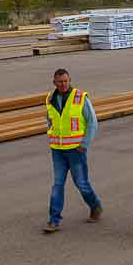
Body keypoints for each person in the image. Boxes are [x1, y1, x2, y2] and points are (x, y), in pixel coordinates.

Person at [43, 67, 102, 232]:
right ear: (54, 82)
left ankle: (95, 206)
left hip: (76, 150)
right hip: (57, 150)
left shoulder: (80, 97)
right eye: (59, 81)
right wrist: (51, 135)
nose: (63, 84)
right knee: (57, 184)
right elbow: (50, 120)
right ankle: (54, 220)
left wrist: (84, 144)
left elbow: (92, 122)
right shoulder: (49, 99)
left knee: (81, 183)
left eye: (65, 81)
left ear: (70, 81)